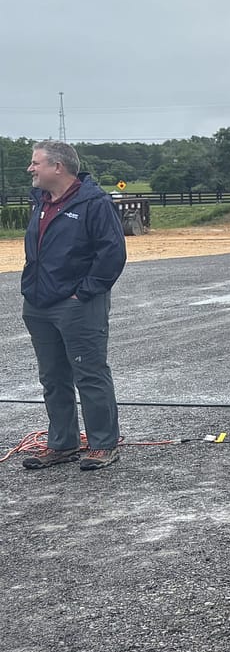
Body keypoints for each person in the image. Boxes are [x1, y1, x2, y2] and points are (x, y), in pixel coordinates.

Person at [20, 140, 127, 471]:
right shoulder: (41, 201)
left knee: (89, 373)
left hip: (77, 305)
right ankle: (62, 444)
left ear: (58, 167)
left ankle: (102, 444)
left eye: (36, 162)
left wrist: (84, 293)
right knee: (53, 377)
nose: (30, 168)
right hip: (38, 304)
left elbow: (112, 254)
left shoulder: (94, 203)